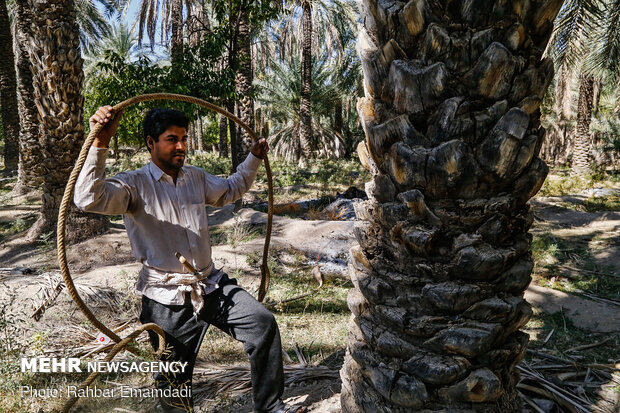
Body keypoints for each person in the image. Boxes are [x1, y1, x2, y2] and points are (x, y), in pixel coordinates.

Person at [74, 106, 296, 413]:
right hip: (165, 297)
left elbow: (232, 188)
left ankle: (270, 406)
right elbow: (87, 198)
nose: (181, 146)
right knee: (173, 379)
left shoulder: (196, 177)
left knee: (262, 323)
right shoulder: (133, 184)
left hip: (210, 284)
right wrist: (101, 142)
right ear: (151, 143)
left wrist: (254, 157)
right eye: (171, 139)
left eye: (184, 138)